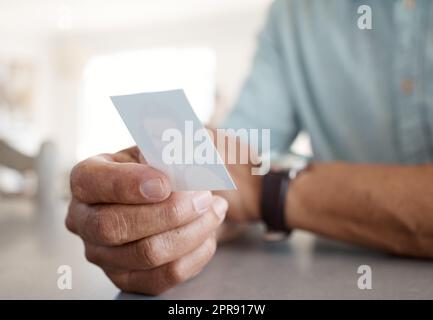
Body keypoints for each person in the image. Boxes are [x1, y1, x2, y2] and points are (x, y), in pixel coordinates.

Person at [66, 0, 433, 295]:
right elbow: (234, 160)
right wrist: (173, 204)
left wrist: (263, 188)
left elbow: (243, 175)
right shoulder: (295, 13)